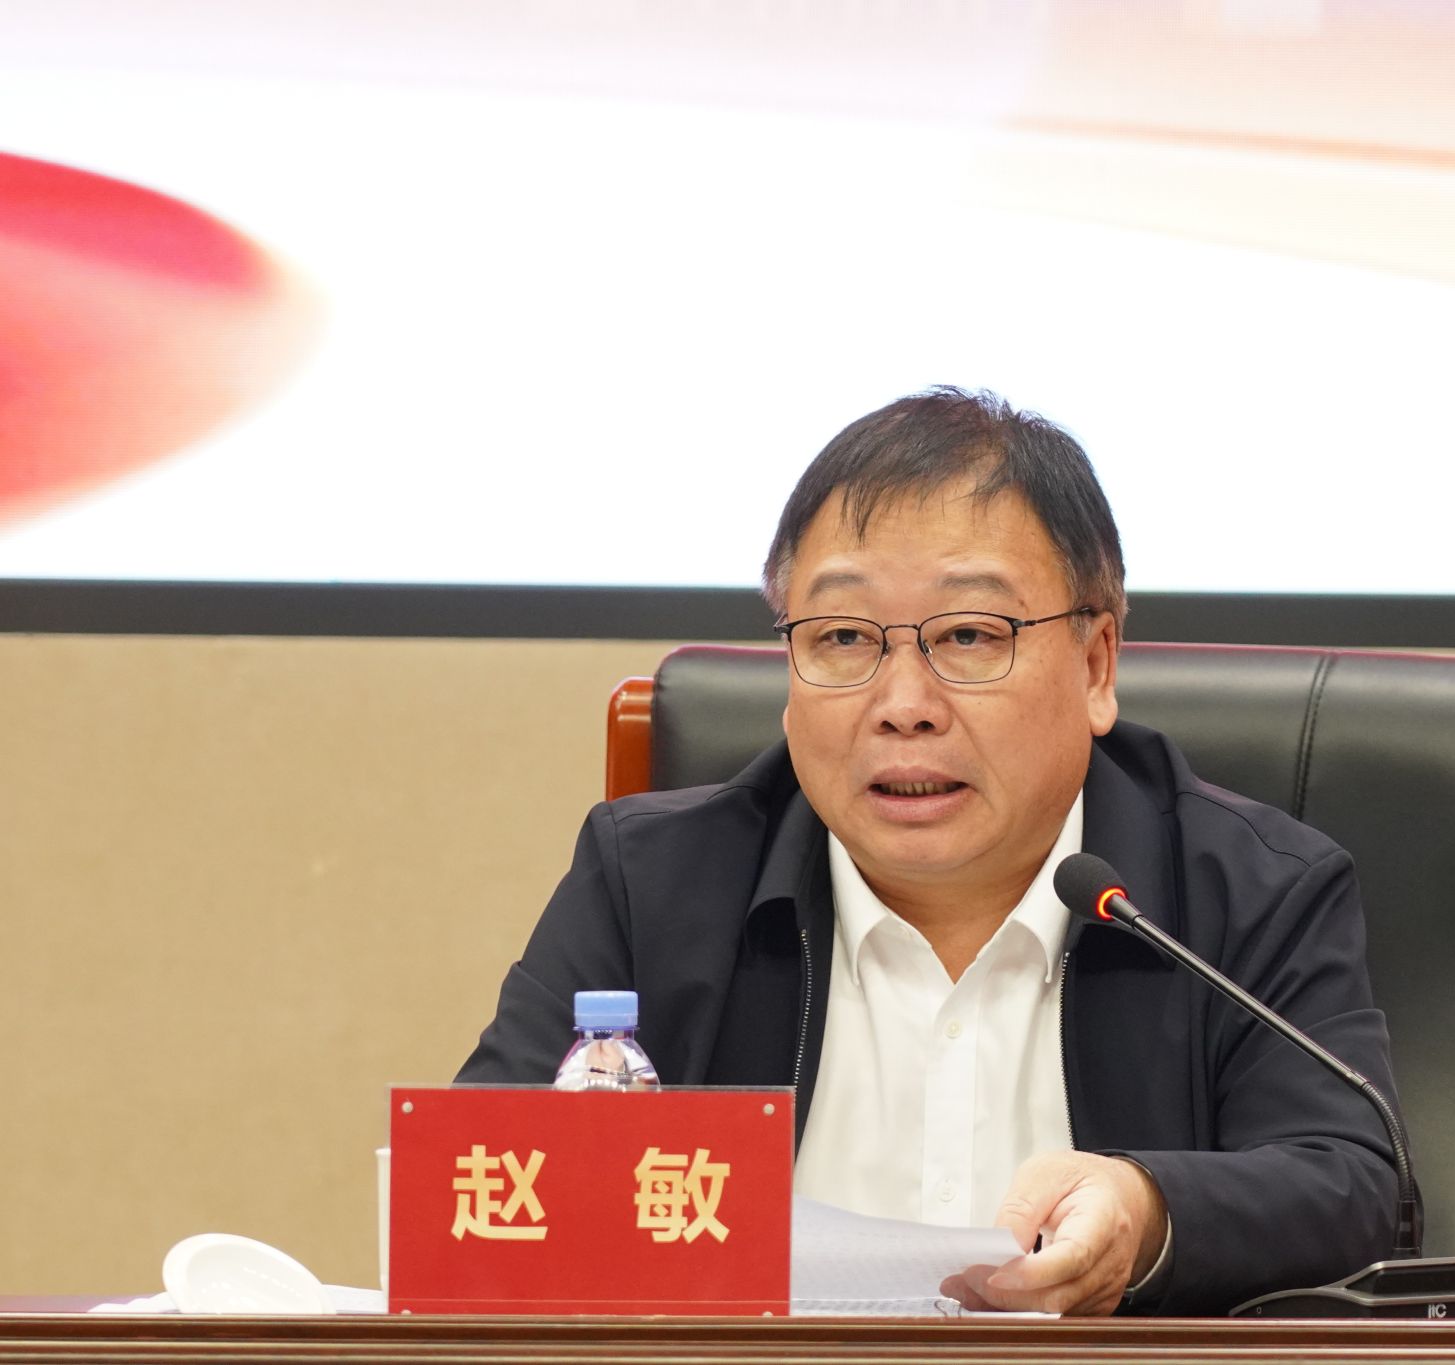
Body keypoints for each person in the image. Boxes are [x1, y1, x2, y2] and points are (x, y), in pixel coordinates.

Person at [458, 387, 1402, 1315]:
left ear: (1096, 665)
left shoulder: (1251, 891)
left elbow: (1353, 1182)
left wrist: (1148, 1212)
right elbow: (482, 1185)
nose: (903, 704)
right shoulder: (650, 884)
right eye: (841, 636)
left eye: (969, 635)